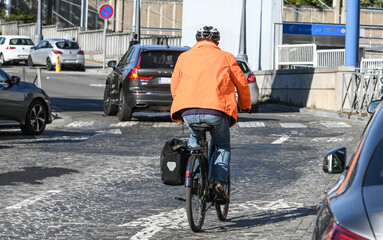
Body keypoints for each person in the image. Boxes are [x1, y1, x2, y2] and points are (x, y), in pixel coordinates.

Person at [170, 26, 251, 202]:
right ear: (217, 42)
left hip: (188, 111)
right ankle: (218, 183)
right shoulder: (226, 57)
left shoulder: (184, 57)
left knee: (195, 141)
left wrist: (183, 104)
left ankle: (194, 179)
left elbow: (174, 85)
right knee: (222, 146)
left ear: (197, 40)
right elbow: (242, 84)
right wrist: (244, 105)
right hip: (216, 110)